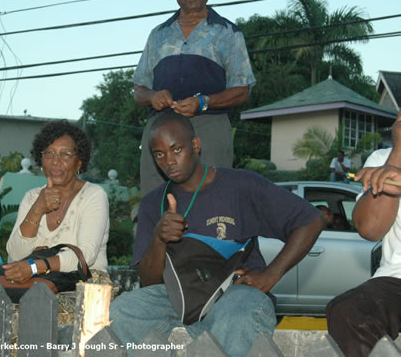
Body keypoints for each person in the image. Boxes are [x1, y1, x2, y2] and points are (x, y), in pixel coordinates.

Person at [109, 112, 324, 357]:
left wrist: (270, 275)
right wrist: (159, 238)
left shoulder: (241, 185)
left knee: (239, 316)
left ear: (196, 145)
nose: (169, 161)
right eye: (160, 154)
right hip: (175, 297)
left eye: (176, 149)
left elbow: (311, 220)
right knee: (121, 312)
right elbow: (149, 283)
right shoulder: (152, 204)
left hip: (234, 292)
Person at [133, 0, 256, 196]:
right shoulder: (158, 35)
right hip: (161, 128)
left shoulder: (228, 32)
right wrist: (153, 96)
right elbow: (139, 90)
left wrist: (204, 102)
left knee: (212, 199)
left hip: (210, 126)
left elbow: (243, 89)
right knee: (155, 199)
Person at [326, 112, 401, 357]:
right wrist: (397, 156)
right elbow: (369, 229)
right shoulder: (382, 158)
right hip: (396, 279)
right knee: (348, 310)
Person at [5, 120, 109, 283]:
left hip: (83, 290)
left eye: (66, 154)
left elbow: (85, 255)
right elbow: (16, 255)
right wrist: (37, 209)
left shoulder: (93, 196)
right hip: (34, 287)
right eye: (49, 153)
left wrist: (35, 266)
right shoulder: (32, 197)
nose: (56, 161)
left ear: (79, 163)